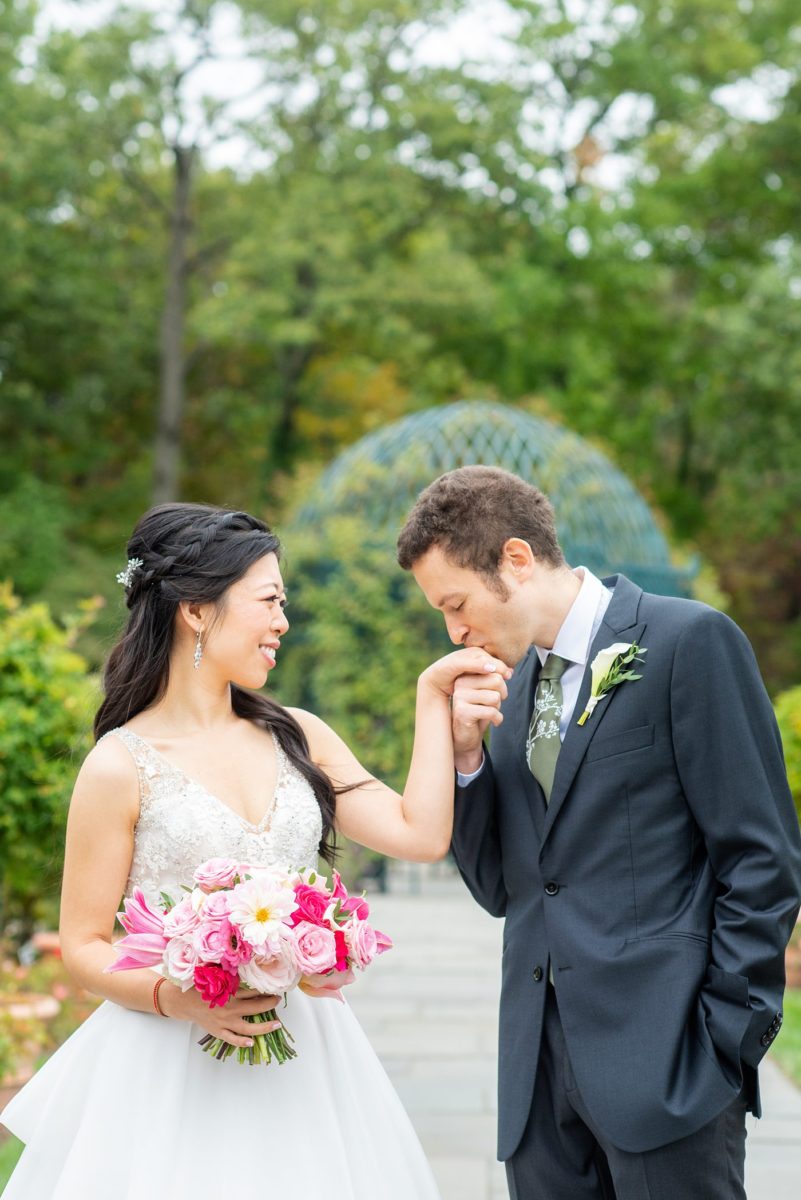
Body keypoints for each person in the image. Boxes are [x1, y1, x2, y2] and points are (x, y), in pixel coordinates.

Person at [0, 502, 509, 1199]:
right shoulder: (120, 766)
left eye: (284, 602)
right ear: (197, 611)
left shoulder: (298, 735)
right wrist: (174, 998)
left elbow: (419, 834)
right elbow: (84, 945)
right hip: (167, 1066)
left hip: (305, 1058)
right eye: (269, 601)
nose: (282, 622)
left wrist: (431, 699)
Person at [397, 464, 801, 1200]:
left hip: (671, 1068)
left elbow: (761, 858)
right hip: (537, 1083)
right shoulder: (512, 691)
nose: (453, 632)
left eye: (454, 604)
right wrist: (464, 757)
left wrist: (723, 1043)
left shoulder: (690, 641)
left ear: (515, 560)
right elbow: (501, 888)